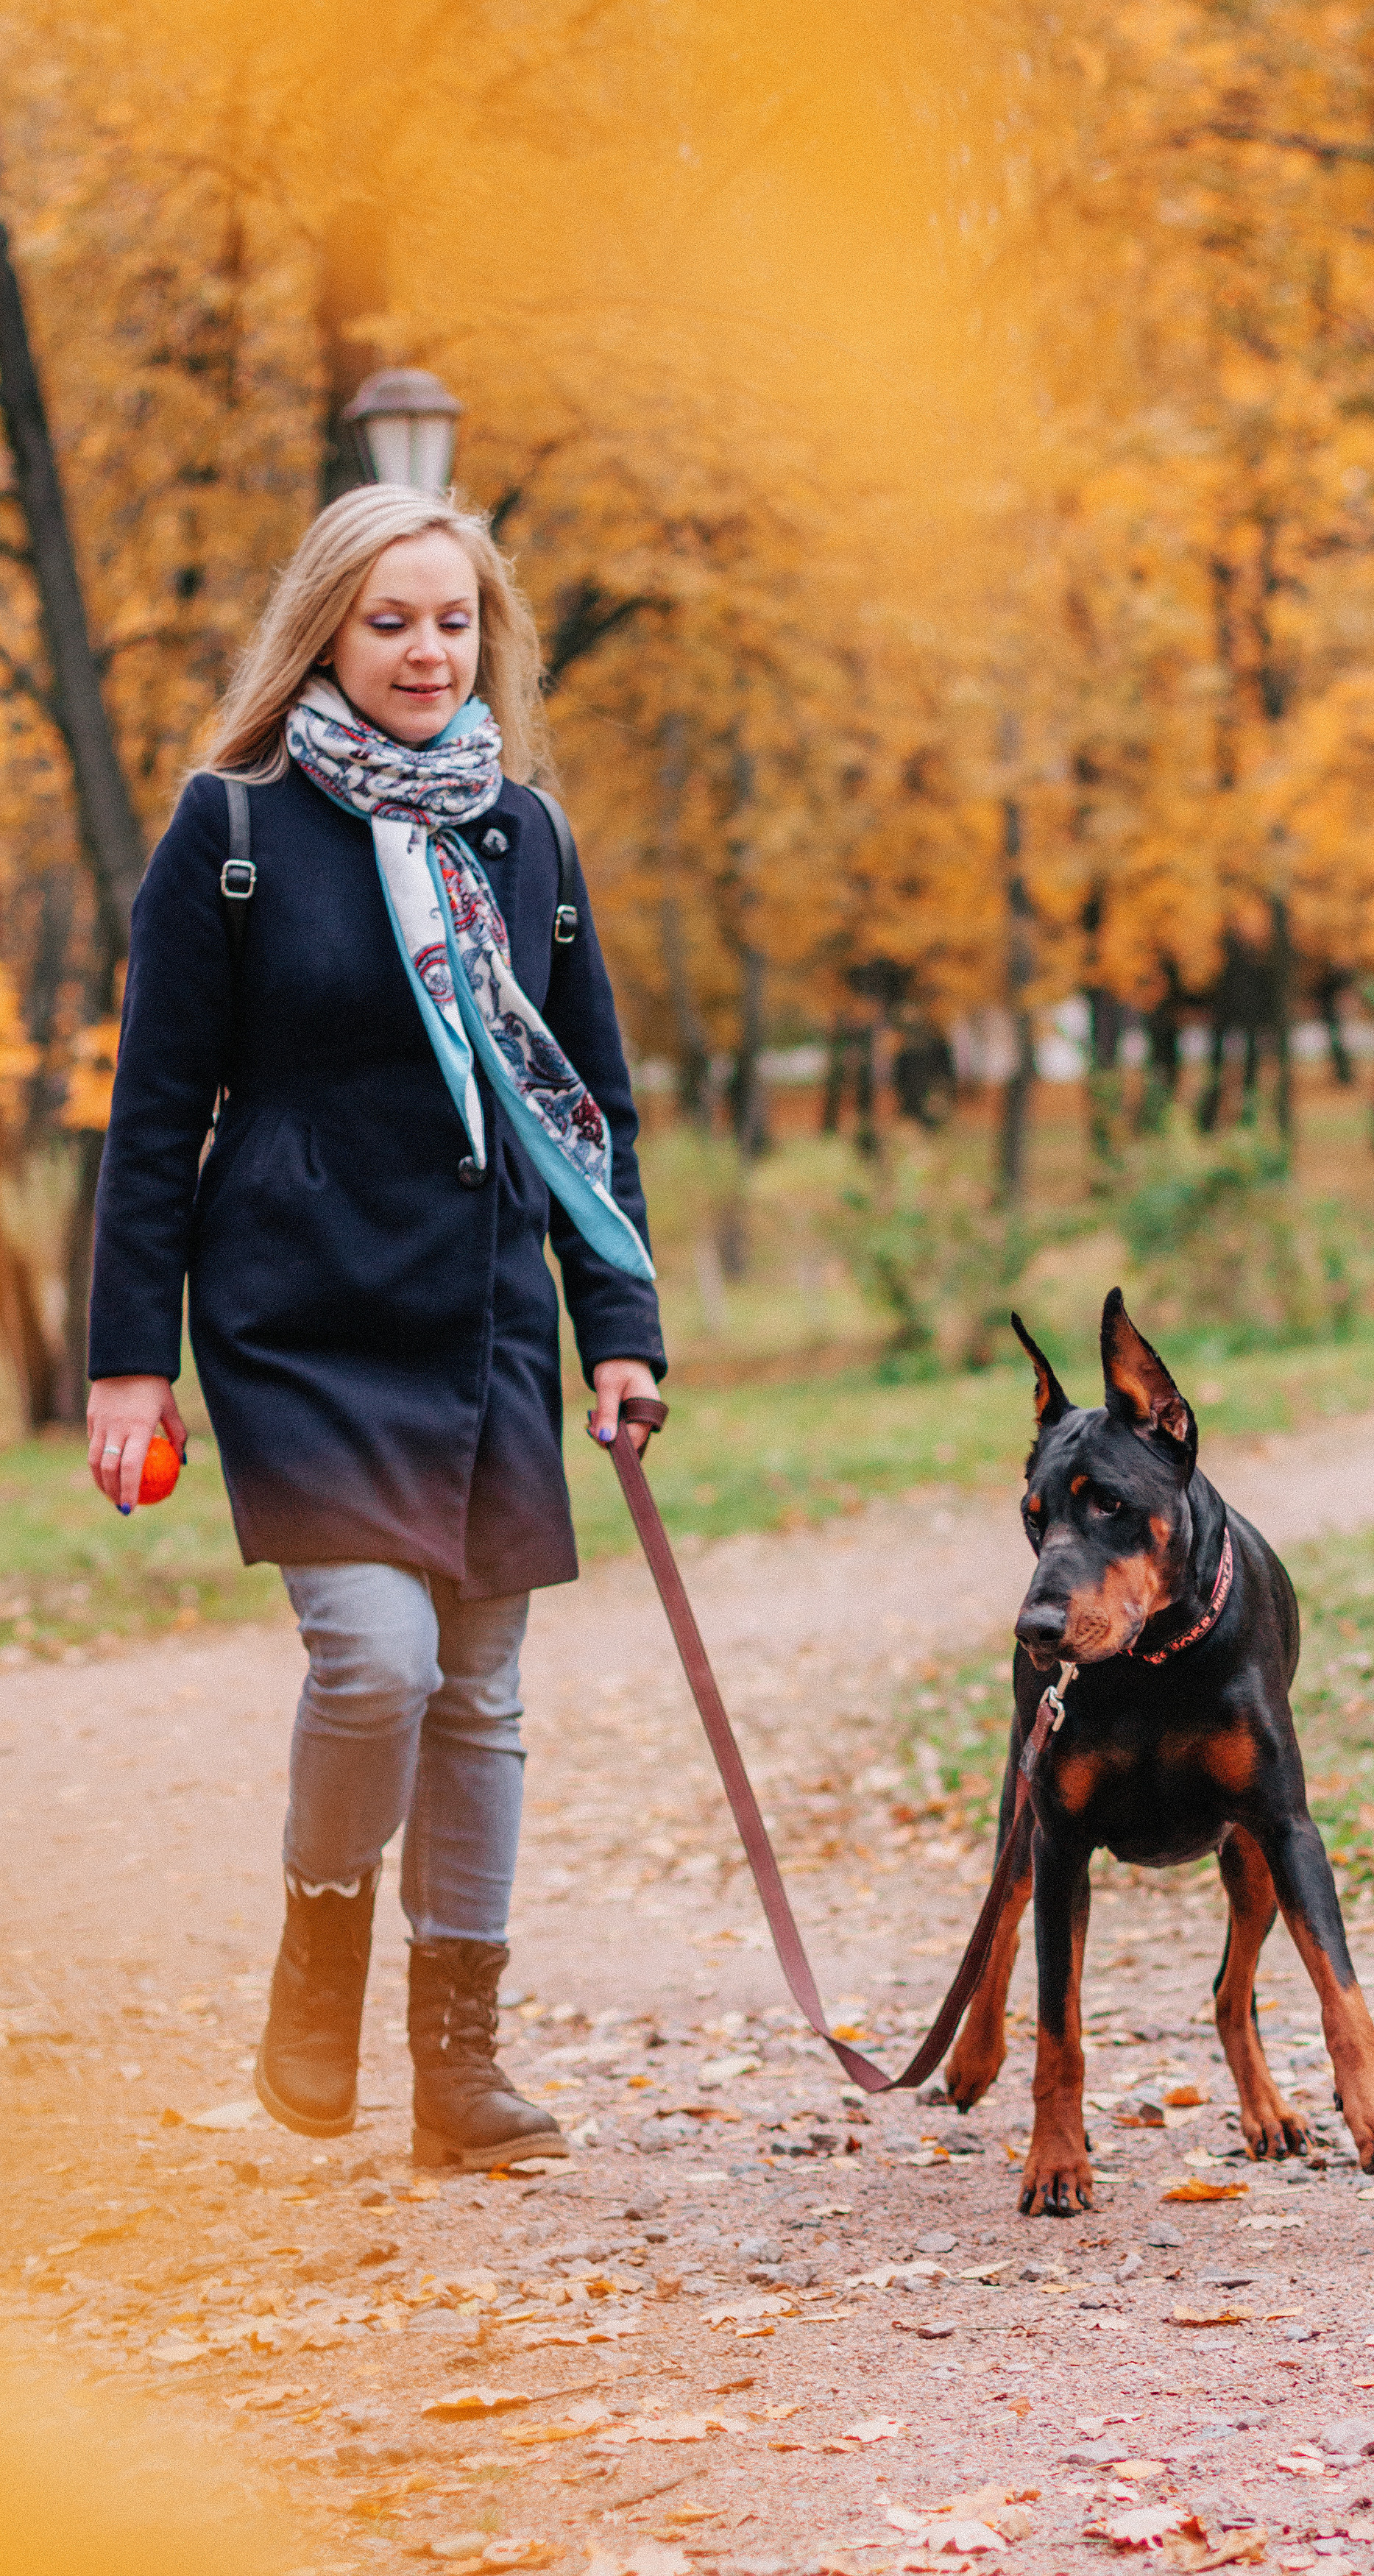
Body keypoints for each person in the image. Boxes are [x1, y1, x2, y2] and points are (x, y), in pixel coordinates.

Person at [85, 485, 666, 2170]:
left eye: (455, 620)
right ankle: (317, 1963)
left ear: (490, 638)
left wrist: (616, 1322)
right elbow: (151, 1113)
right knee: (377, 1658)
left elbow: (589, 1106)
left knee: (478, 1690)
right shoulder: (236, 828)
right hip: (297, 1315)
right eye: (392, 620)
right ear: (327, 633)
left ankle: (459, 2063)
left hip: (481, 1317)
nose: (427, 650)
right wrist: (133, 1361)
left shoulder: (526, 837)